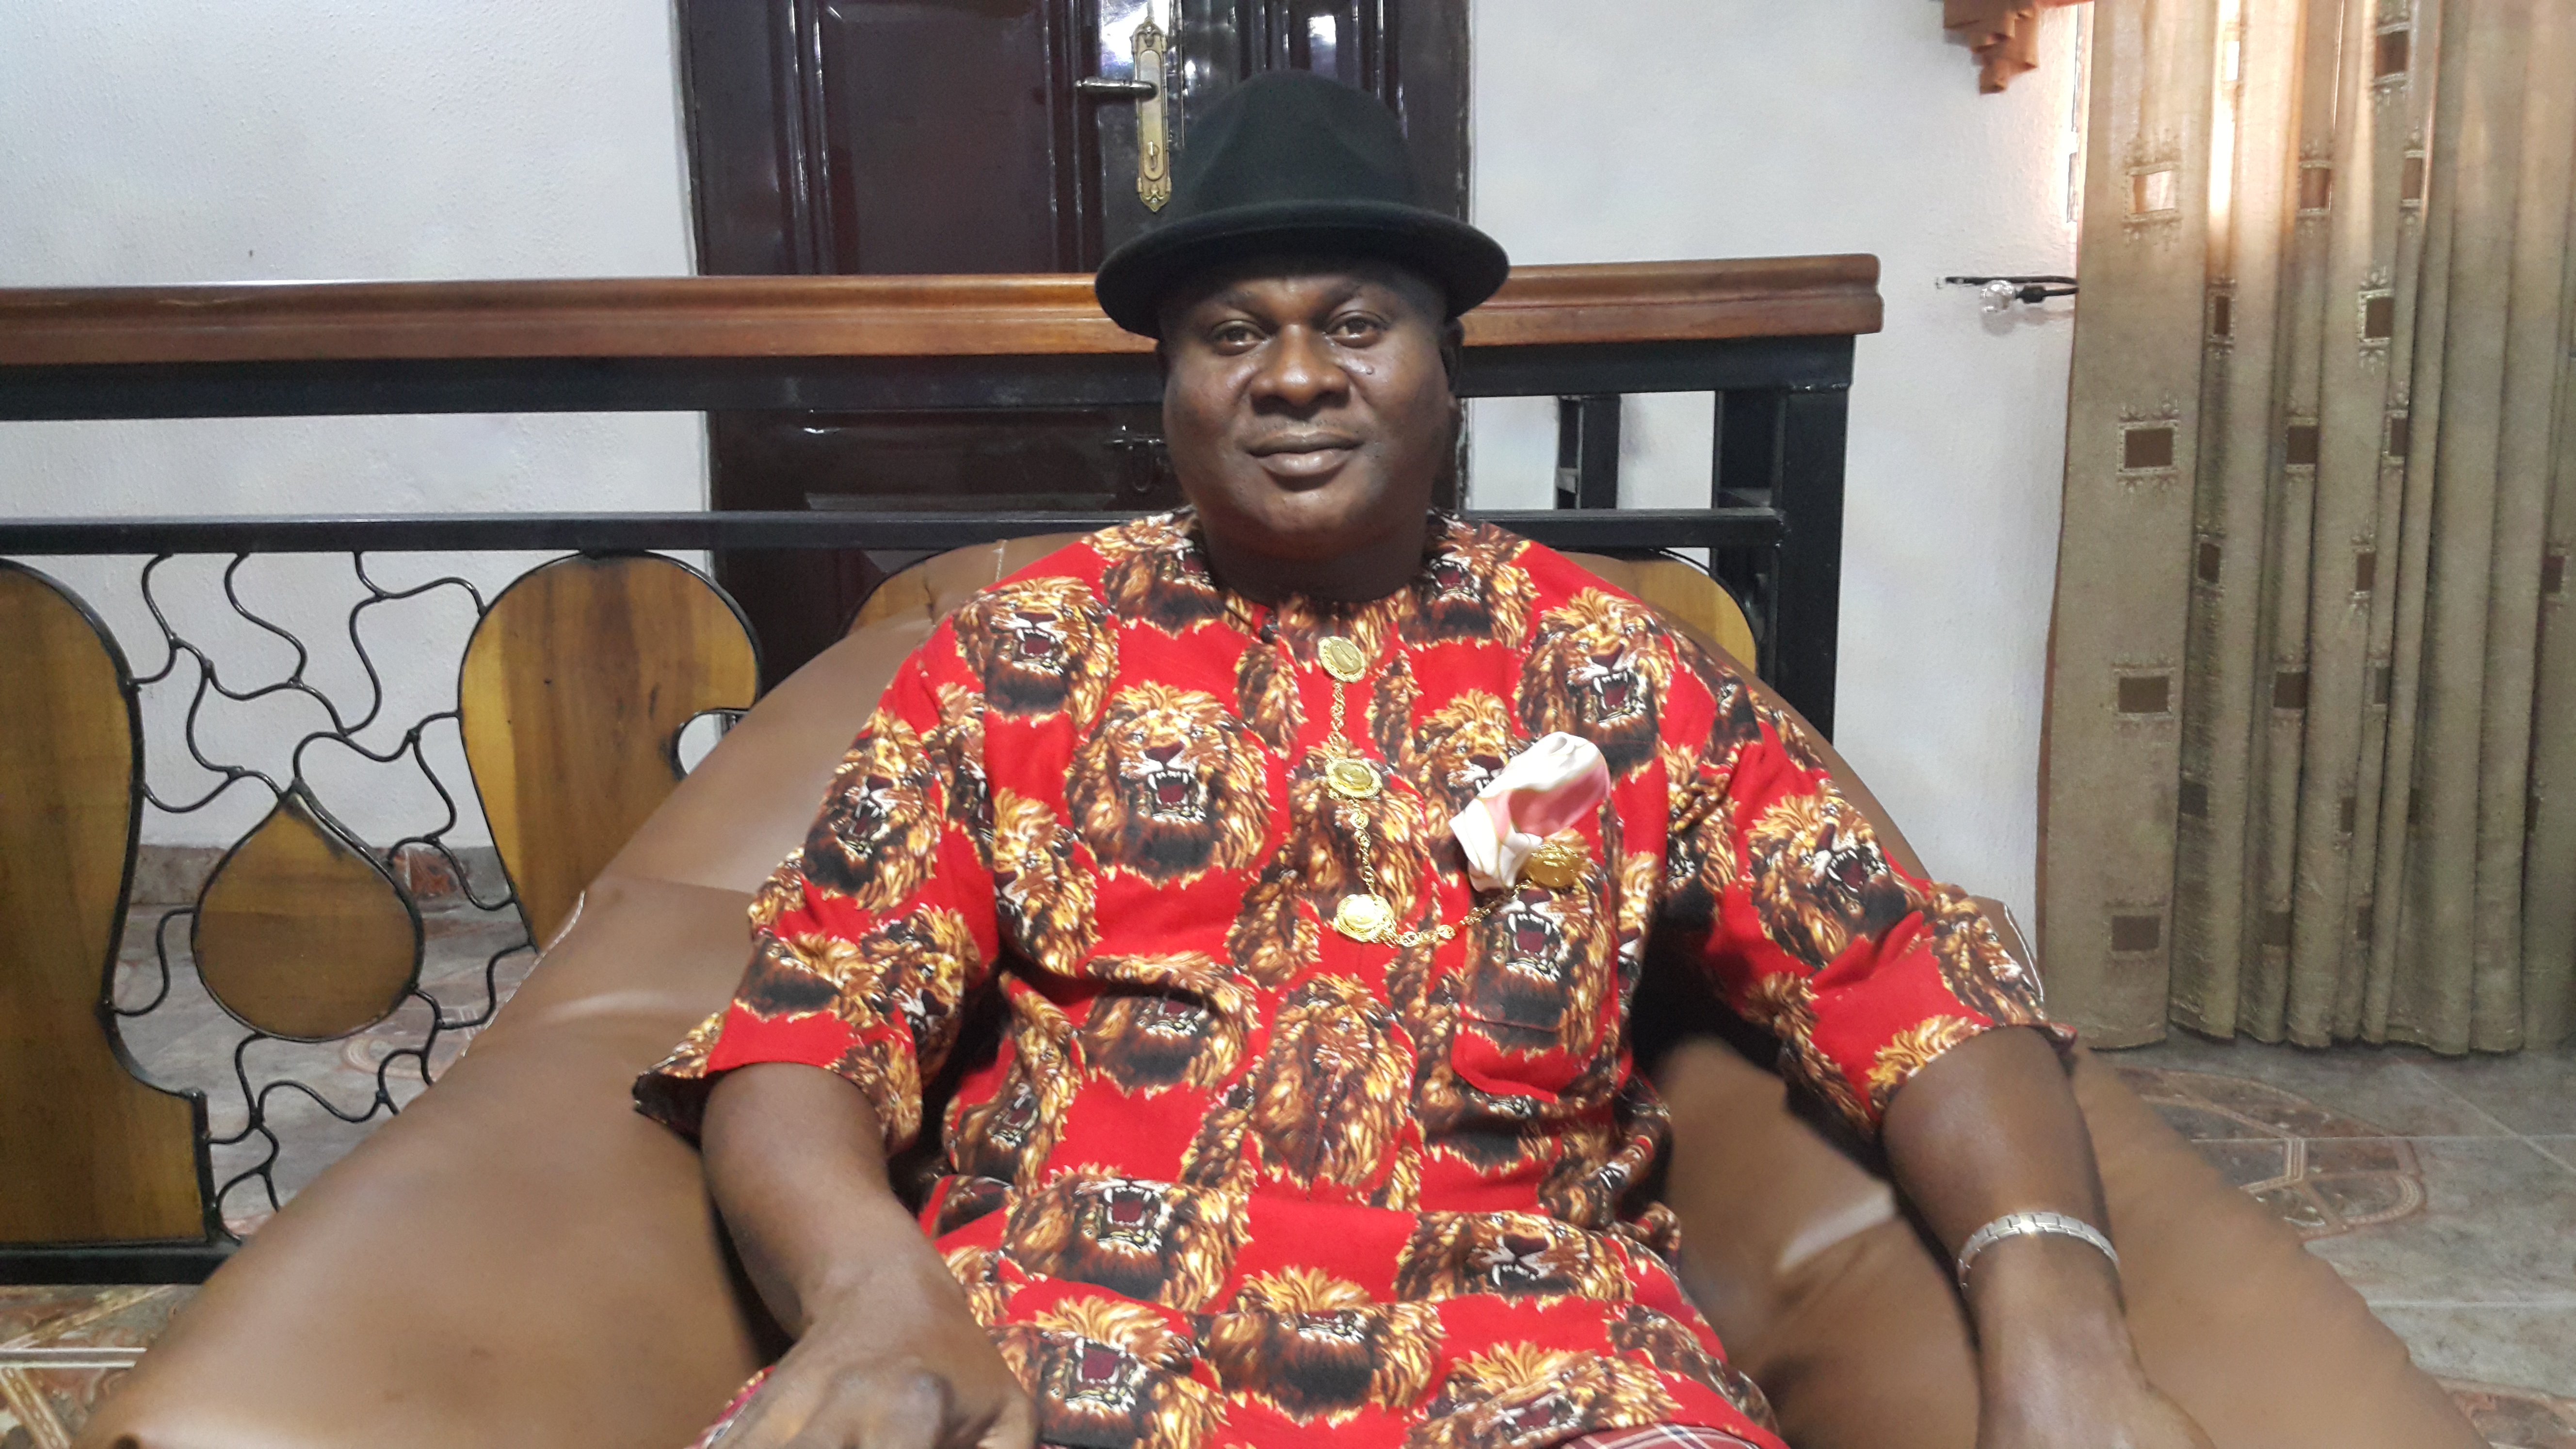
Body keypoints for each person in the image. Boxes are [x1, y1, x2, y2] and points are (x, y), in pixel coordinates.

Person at [635, 71, 2215, 1449]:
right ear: (1167, 387)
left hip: (1544, 1354)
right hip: (1061, 1329)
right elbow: (811, 1017)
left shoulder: (1610, 673)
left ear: (1445, 367)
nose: (1295, 375)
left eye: (1355, 324)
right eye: (1232, 333)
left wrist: (2063, 1333)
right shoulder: (1011, 659)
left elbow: (1906, 981)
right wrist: (873, 1291)